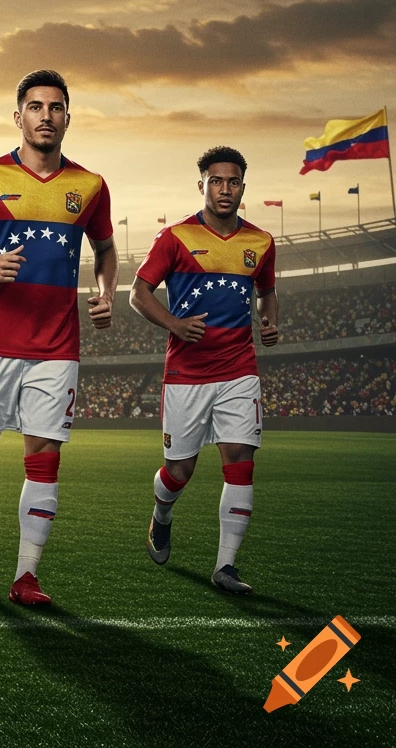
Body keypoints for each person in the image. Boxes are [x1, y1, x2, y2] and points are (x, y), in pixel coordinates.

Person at [0, 69, 117, 606]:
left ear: (67, 118)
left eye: (55, 107)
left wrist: (106, 291)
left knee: (45, 458)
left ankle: (26, 575)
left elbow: (106, 250)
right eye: (35, 107)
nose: (46, 116)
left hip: (57, 346)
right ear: (19, 117)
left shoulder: (90, 186)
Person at [130, 146, 278, 594]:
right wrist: (174, 324)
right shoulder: (175, 237)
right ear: (202, 186)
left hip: (238, 368)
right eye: (216, 181)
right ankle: (161, 516)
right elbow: (138, 293)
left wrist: (269, 321)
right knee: (179, 470)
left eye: (233, 182)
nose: (225, 189)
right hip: (187, 374)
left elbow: (266, 292)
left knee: (241, 462)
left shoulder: (261, 243)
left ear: (243, 188)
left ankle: (226, 567)